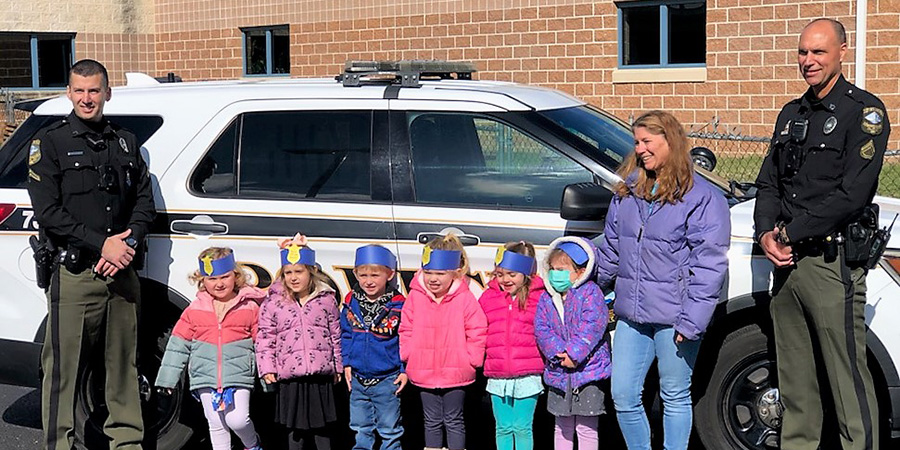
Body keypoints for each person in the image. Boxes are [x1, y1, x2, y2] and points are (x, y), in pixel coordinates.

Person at [753, 18, 890, 450]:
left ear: (842, 52)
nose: (808, 61)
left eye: (818, 52)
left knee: (848, 382)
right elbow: (769, 183)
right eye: (802, 52)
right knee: (795, 385)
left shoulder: (863, 113)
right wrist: (764, 236)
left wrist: (790, 231)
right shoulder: (791, 114)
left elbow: (853, 194)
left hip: (831, 267)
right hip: (787, 266)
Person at [25, 59, 155, 450]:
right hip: (76, 274)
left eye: (94, 91)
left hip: (122, 272)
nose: (86, 99)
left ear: (107, 93)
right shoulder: (49, 143)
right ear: (69, 92)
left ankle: (127, 442)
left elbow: (144, 202)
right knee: (62, 370)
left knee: (123, 365)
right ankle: (58, 445)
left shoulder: (126, 141)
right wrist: (103, 245)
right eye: (79, 91)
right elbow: (48, 212)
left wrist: (128, 243)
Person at [597, 109, 730, 450]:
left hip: (676, 319)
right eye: (636, 142)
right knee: (623, 394)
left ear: (670, 141)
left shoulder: (702, 198)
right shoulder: (627, 193)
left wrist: (693, 320)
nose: (640, 149)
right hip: (632, 316)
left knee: (674, 394)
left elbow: (709, 265)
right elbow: (612, 249)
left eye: (647, 141)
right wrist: (585, 279)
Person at [155, 247, 265, 450]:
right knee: (216, 424)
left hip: (238, 375)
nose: (219, 283)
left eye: (225, 277)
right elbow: (178, 345)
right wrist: (168, 379)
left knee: (237, 420)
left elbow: (263, 344)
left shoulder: (249, 307)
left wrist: (267, 374)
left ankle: (252, 444)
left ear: (236, 276)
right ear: (202, 280)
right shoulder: (195, 309)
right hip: (204, 376)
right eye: (212, 279)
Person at [398, 234, 488, 450]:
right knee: (431, 421)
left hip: (457, 372)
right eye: (428, 273)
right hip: (423, 370)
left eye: (440, 273)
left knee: (454, 420)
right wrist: (408, 355)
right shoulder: (416, 296)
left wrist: (472, 360)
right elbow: (406, 327)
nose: (433, 279)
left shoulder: (464, 298)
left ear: (455, 273)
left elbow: (477, 329)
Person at [256, 234, 343, 450]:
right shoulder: (274, 303)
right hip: (290, 376)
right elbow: (265, 337)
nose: (293, 278)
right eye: (288, 273)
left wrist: (338, 365)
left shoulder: (326, 300)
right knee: (295, 431)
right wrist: (267, 367)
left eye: (299, 272)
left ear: (311, 272)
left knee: (322, 428)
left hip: (320, 375)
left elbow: (335, 334)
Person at [534, 237, 611, 450]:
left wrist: (573, 354)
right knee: (561, 427)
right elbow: (542, 329)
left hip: (588, 374)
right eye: (553, 268)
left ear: (581, 271)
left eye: (562, 269)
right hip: (559, 374)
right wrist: (559, 354)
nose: (555, 274)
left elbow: (592, 327)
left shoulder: (591, 294)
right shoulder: (547, 298)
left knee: (586, 428)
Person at [479, 241, 545, 450]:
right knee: (503, 427)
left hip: (527, 375)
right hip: (498, 376)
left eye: (511, 274)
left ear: (526, 273)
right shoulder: (488, 297)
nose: (505, 280)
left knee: (522, 427)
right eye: (500, 274)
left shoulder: (539, 298)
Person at [340, 244, 407, 450]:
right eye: (363, 275)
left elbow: (405, 339)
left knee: (389, 429)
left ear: (389, 275)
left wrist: (404, 370)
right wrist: (347, 362)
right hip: (358, 379)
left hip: (387, 379)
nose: (369, 281)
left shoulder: (398, 306)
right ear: (356, 274)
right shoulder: (352, 303)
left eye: (375, 275)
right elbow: (346, 334)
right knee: (361, 427)